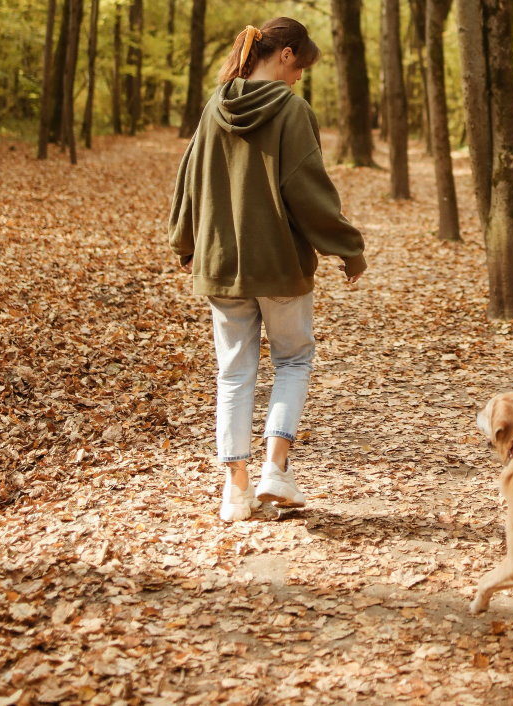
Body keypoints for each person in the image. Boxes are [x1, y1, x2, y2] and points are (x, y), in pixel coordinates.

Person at [168, 18, 366, 522]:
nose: (299, 77)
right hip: (279, 264)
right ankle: (274, 471)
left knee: (233, 374)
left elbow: (189, 178)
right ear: (285, 55)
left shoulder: (216, 106)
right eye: (299, 66)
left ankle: (235, 492)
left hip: (222, 264)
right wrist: (347, 247)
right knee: (294, 361)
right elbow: (307, 187)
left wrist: (185, 241)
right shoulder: (292, 110)